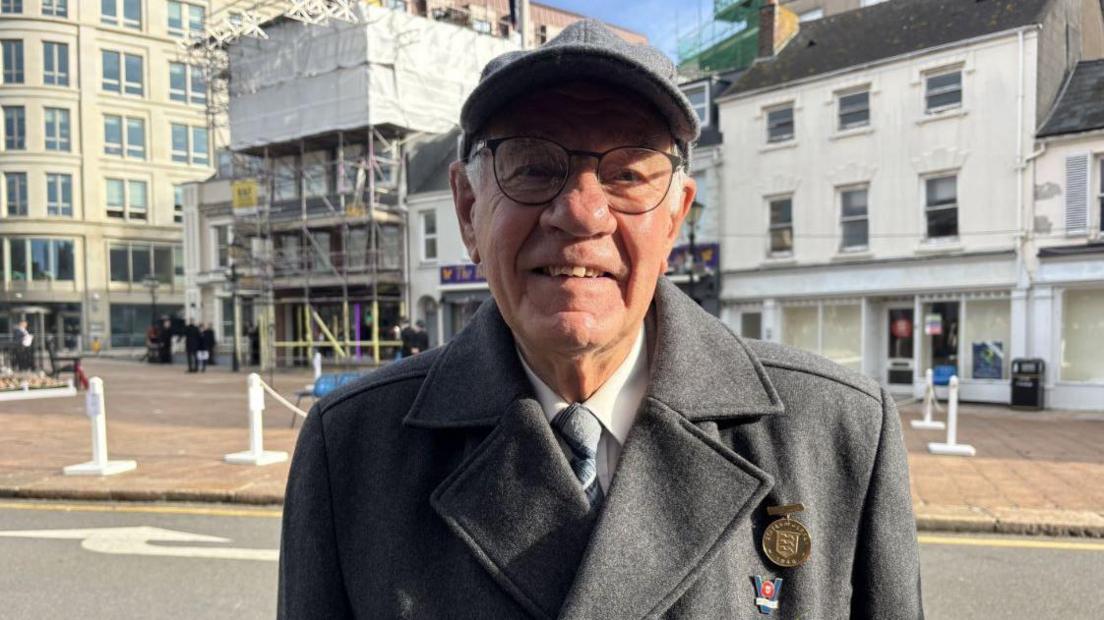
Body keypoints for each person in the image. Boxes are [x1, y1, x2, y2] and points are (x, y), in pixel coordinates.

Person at [279, 21, 922, 619]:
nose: (583, 214)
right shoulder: (353, 448)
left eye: (628, 173)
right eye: (532, 165)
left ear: (674, 218)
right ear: (468, 208)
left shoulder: (841, 432)